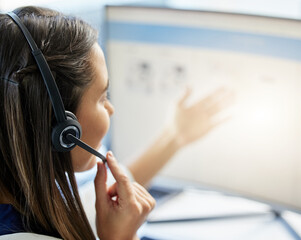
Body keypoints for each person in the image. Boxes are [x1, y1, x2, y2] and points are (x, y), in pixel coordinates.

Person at [0, 6, 233, 240]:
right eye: (102, 97)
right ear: (61, 127)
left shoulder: (24, 191)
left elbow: (97, 209)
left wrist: (175, 136)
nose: (111, 109)